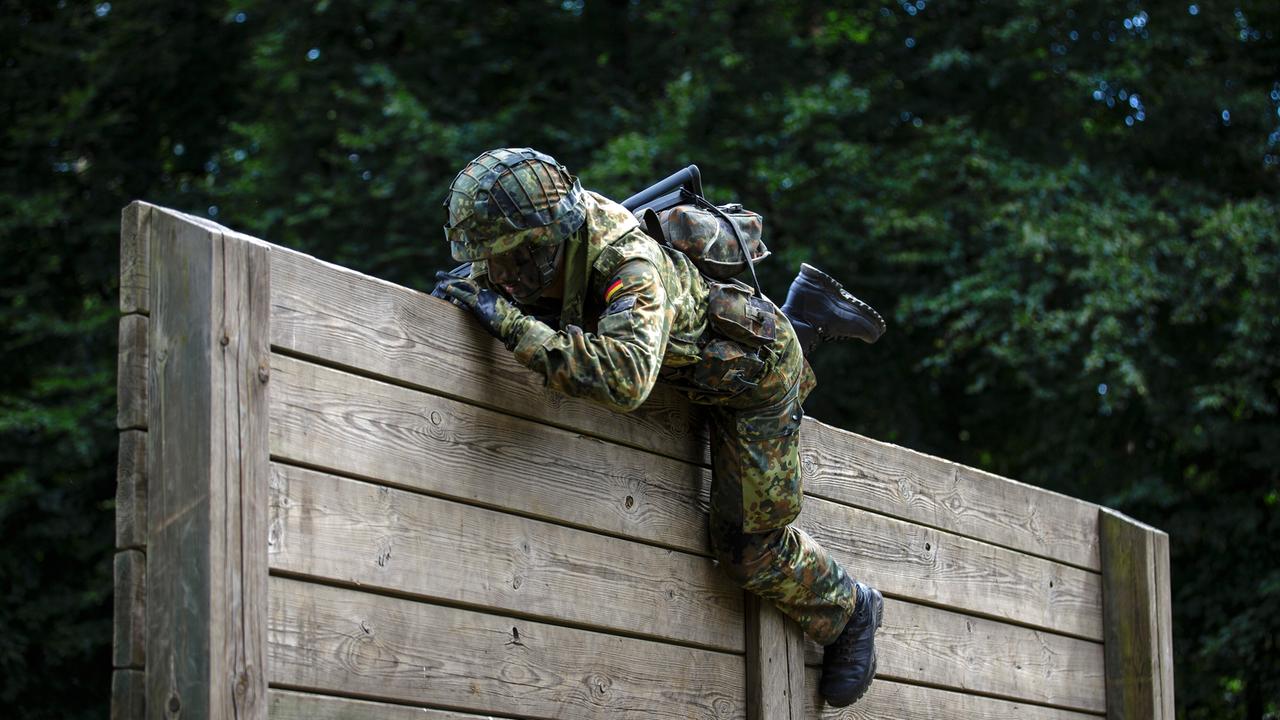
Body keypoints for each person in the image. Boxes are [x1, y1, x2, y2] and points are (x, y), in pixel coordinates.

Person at [432, 147, 885, 707]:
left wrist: (508, 322)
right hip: (691, 359)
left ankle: (850, 607)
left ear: (543, 241)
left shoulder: (630, 268)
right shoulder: (546, 240)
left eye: (506, 259)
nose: (493, 274)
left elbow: (624, 379)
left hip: (754, 382)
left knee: (748, 548)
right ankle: (809, 311)